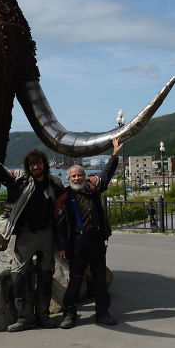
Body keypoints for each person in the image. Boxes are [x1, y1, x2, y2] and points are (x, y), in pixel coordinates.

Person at [0, 146, 64, 331]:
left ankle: (43, 316)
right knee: (17, 274)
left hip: (47, 234)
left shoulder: (54, 183)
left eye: (39, 163)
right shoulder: (18, 181)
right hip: (25, 235)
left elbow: (70, 196)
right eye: (32, 164)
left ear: (44, 164)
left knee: (46, 274)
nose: (36, 167)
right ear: (28, 166)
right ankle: (24, 318)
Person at [55, 138, 122, 329]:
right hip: (77, 242)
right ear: (69, 179)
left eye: (79, 175)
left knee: (100, 279)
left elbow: (106, 175)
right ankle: (70, 315)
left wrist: (114, 154)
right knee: (75, 280)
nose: (77, 178)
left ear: (84, 177)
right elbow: (60, 224)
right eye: (73, 176)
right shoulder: (65, 197)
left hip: (97, 240)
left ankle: (103, 313)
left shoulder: (93, 189)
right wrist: (61, 247)